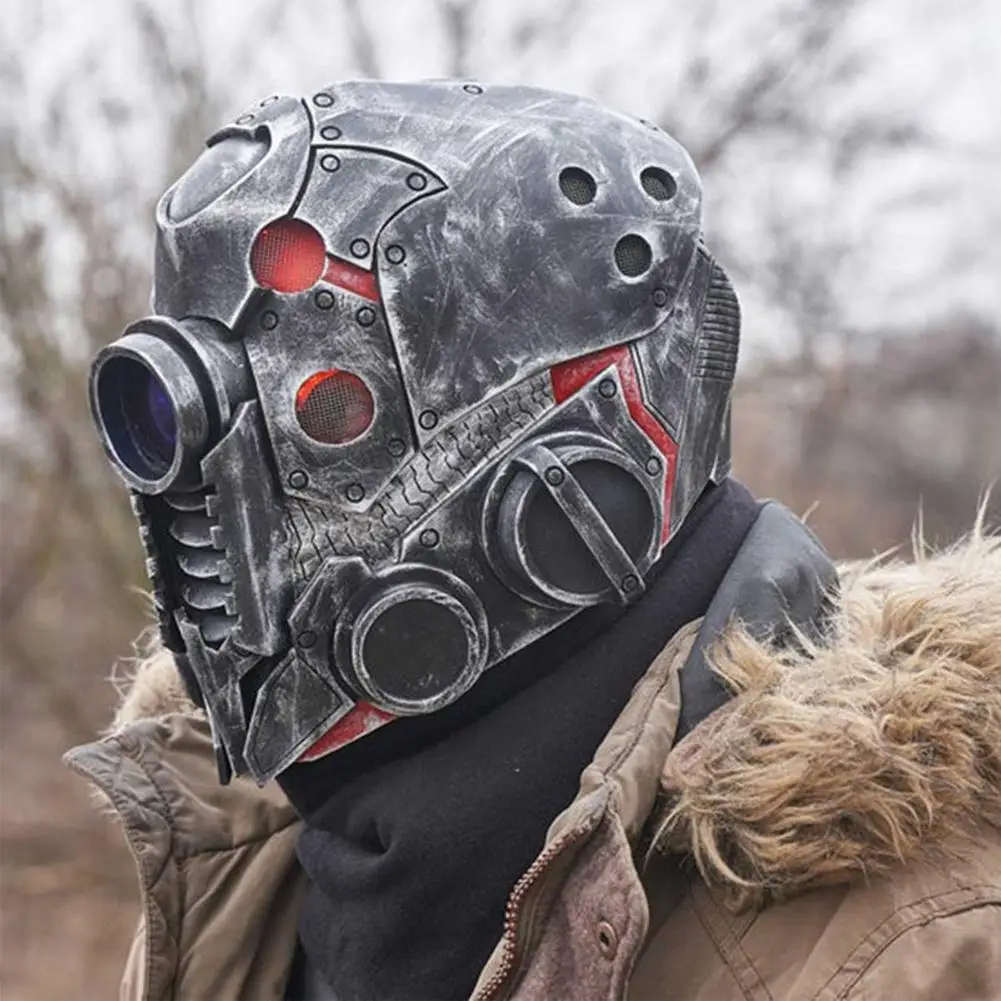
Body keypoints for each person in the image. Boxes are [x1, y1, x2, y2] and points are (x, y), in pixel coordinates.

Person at [68, 81, 1001, 1001]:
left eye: (328, 410)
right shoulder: (236, 866)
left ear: (585, 458)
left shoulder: (915, 950)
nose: (210, 489)